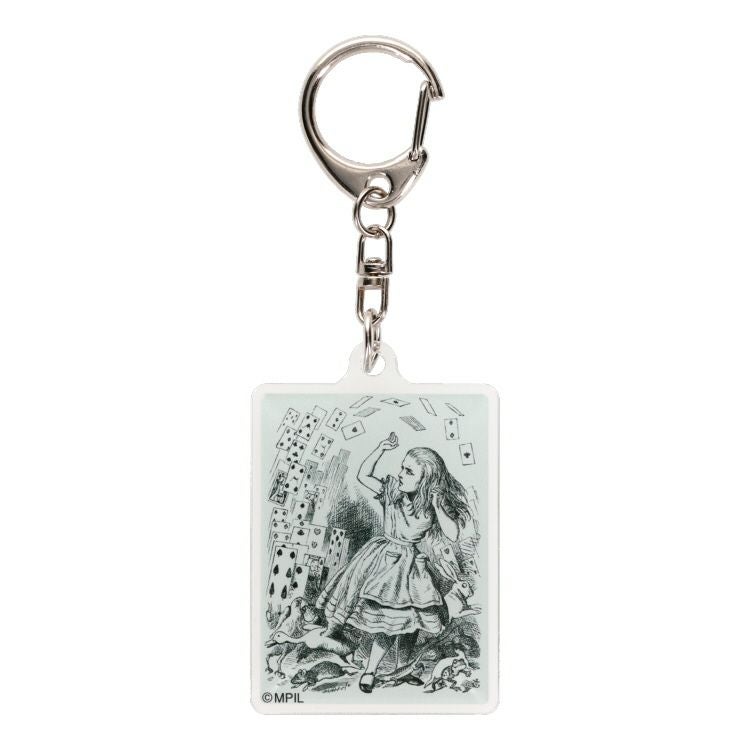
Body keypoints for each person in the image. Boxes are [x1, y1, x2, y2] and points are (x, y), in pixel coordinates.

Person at [316, 432, 471, 693]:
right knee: (387, 624)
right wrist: (380, 448)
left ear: (426, 481)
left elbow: (453, 534)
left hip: (412, 567)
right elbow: (363, 475)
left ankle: (403, 668)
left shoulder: (433, 504)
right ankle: (370, 671)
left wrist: (438, 504)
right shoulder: (392, 491)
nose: (400, 474)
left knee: (412, 622)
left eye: (408, 471)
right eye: (402, 467)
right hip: (383, 561)